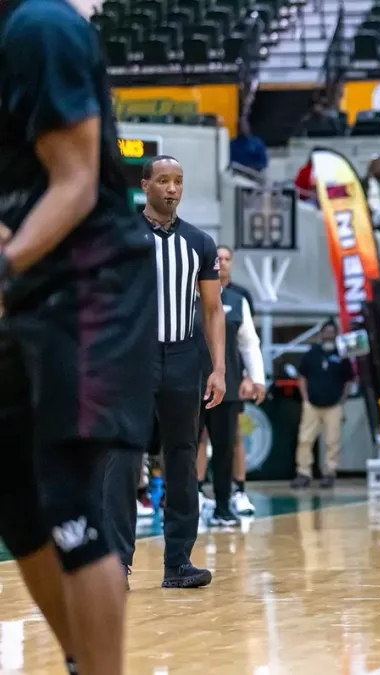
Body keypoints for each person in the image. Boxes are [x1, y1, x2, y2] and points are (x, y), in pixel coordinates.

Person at [0, 0, 157, 670]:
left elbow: (74, 183)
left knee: (68, 494)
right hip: (31, 285)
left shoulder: (43, 26)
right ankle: (80, 659)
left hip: (92, 287)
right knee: (16, 500)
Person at [101, 155, 226, 592]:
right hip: (132, 359)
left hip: (183, 357)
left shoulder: (199, 241)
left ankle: (179, 562)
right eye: (164, 181)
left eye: (178, 181)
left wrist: (219, 369)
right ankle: (117, 563)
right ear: (146, 185)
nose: (172, 188)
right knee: (123, 459)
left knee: (181, 457)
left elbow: (212, 310)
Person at [197, 245, 266, 526]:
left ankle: (225, 504)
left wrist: (257, 377)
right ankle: (189, 501)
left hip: (227, 385)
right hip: (190, 384)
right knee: (186, 444)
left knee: (226, 445)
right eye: (217, 259)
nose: (221, 264)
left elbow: (249, 342)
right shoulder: (188, 297)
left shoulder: (238, 300)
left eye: (226, 259)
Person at [293, 321, 354, 488]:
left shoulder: (342, 355)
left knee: (332, 440)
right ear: (321, 334)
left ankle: (330, 472)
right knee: (305, 439)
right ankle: (303, 473)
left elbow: (349, 380)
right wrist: (305, 397)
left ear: (336, 334)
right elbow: (302, 376)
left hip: (333, 405)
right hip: (312, 404)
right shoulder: (311, 354)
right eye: (326, 331)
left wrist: (342, 400)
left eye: (331, 332)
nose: (328, 334)